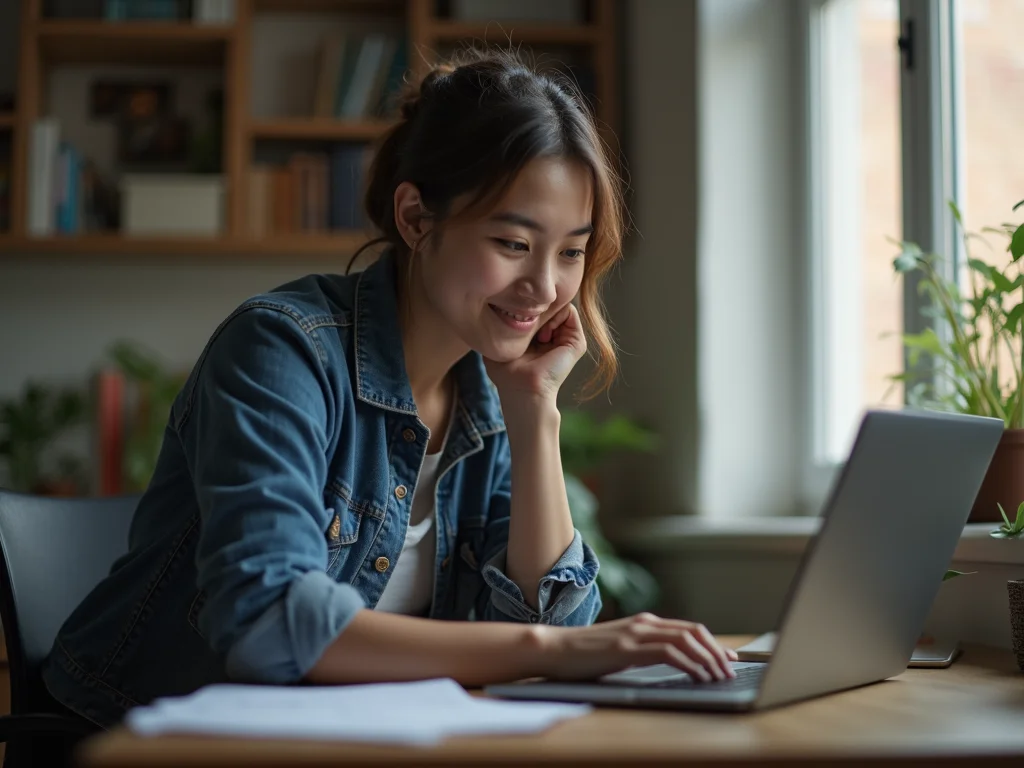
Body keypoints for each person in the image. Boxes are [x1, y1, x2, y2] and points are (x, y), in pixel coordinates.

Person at [42, 49, 738, 736]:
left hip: (341, 743)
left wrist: (535, 414)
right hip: (139, 745)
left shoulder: (490, 394)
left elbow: (545, 627)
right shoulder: (281, 351)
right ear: (415, 219)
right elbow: (268, 619)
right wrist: (555, 650)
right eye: (513, 243)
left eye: (572, 251)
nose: (547, 288)